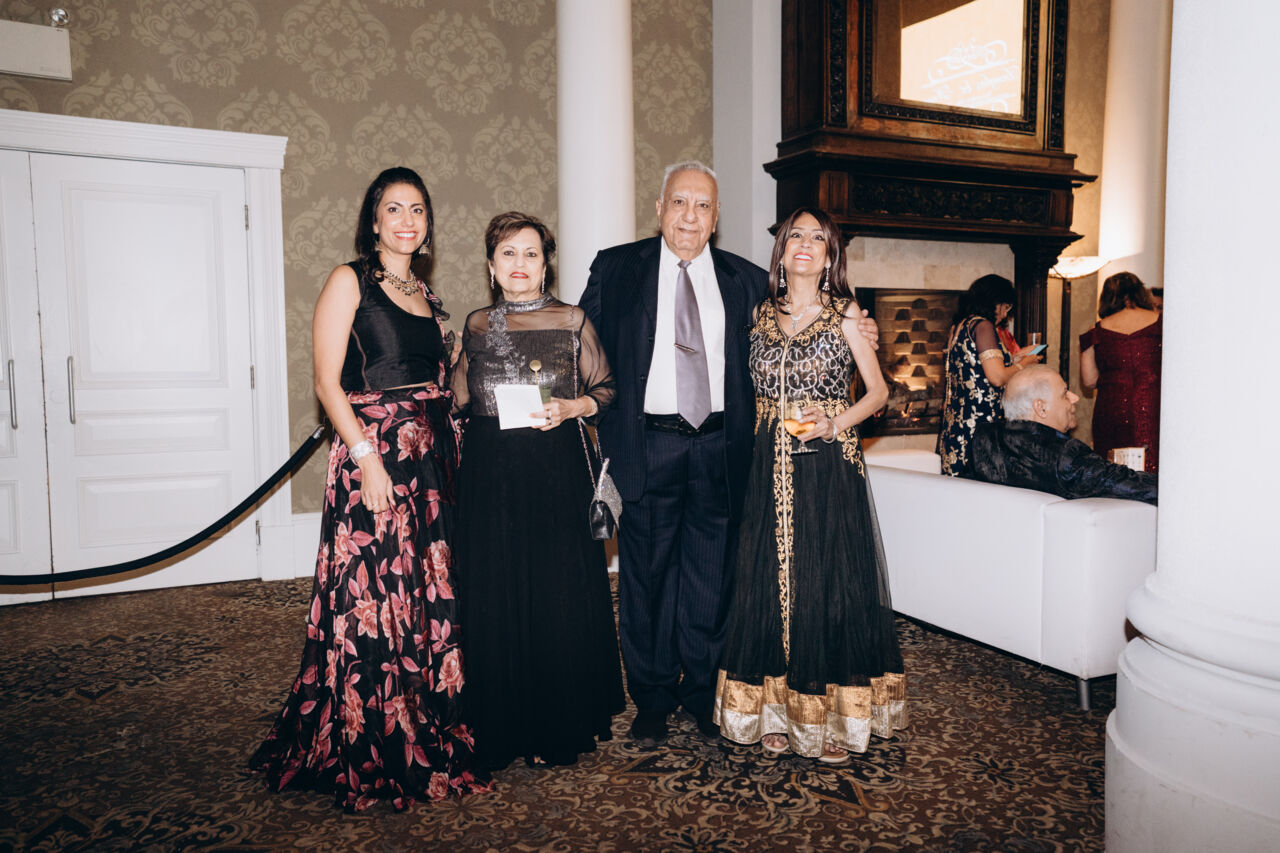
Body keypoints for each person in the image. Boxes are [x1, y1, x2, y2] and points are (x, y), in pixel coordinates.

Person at [580, 162, 879, 745]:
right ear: (660, 208)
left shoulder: (746, 280)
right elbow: (579, 340)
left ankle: (701, 693)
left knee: (711, 577)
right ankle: (652, 696)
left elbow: (804, 321)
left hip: (722, 447)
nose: (690, 216)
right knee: (646, 579)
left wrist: (860, 326)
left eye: (703, 206)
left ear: (716, 217)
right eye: (680, 202)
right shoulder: (616, 267)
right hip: (647, 443)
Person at [249, 167, 488, 811]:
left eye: (418, 210)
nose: (407, 220)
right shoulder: (349, 280)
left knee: (424, 592)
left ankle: (427, 713)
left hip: (432, 463)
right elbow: (327, 382)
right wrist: (367, 459)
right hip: (376, 458)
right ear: (374, 221)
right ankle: (376, 730)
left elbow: (438, 382)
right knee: (377, 594)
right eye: (394, 209)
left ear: (428, 225)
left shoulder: (427, 297)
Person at [713, 208, 906, 763]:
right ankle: (775, 714)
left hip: (826, 464)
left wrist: (834, 423)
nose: (804, 243)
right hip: (765, 465)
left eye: (817, 238)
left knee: (826, 584)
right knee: (766, 584)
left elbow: (878, 393)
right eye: (795, 234)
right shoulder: (759, 314)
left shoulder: (847, 314)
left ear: (829, 255)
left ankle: (833, 719)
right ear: (781, 251)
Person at [452, 212, 624, 769]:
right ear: (491, 265)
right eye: (508, 253)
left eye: (530, 253)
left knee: (555, 591)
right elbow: (458, 399)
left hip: (554, 472)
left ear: (546, 263)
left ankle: (556, 722)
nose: (520, 263)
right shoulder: (479, 324)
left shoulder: (572, 320)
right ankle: (501, 724)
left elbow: (607, 389)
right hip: (490, 475)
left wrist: (574, 406)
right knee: (496, 590)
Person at [971, 365, 1158, 504]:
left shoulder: (984, 438)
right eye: (1065, 393)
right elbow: (1132, 486)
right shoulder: (1064, 455)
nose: (1075, 398)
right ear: (1041, 407)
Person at [937, 274, 1040, 476]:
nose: (1005, 314)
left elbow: (975, 367)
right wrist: (1025, 364)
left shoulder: (960, 326)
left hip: (957, 422)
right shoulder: (983, 326)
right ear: (994, 301)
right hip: (980, 423)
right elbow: (997, 377)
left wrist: (1015, 358)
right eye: (1005, 307)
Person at [1079, 272, 1162, 473]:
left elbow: (1089, 380)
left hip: (1112, 406)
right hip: (1154, 403)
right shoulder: (1161, 323)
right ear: (1141, 293)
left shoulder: (1096, 331)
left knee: (1114, 470)